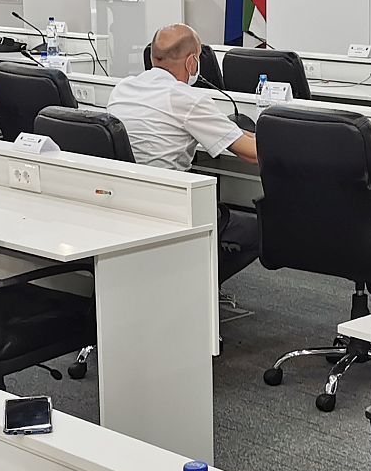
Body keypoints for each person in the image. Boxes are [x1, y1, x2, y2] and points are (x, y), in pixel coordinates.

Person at [108, 23, 261, 282]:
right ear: (192, 62)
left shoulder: (123, 89)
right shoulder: (187, 98)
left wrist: (238, 132)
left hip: (125, 201)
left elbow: (234, 135)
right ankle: (199, 288)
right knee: (262, 230)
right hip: (172, 208)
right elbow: (252, 154)